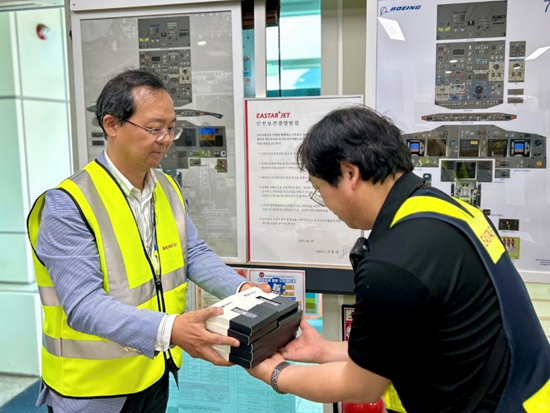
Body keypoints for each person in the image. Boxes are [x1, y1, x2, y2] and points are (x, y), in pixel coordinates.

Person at [247, 106, 550, 412]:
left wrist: (277, 374)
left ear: (350, 173)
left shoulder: (393, 263)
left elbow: (361, 385)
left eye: (319, 190)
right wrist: (324, 350)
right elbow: (418, 339)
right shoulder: (450, 211)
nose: (323, 202)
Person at [27, 68, 269, 413]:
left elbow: (192, 252)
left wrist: (242, 290)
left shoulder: (166, 188)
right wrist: (173, 329)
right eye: (154, 129)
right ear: (111, 125)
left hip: (154, 369)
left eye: (171, 128)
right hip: (93, 391)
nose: (167, 139)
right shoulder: (67, 205)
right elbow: (82, 305)